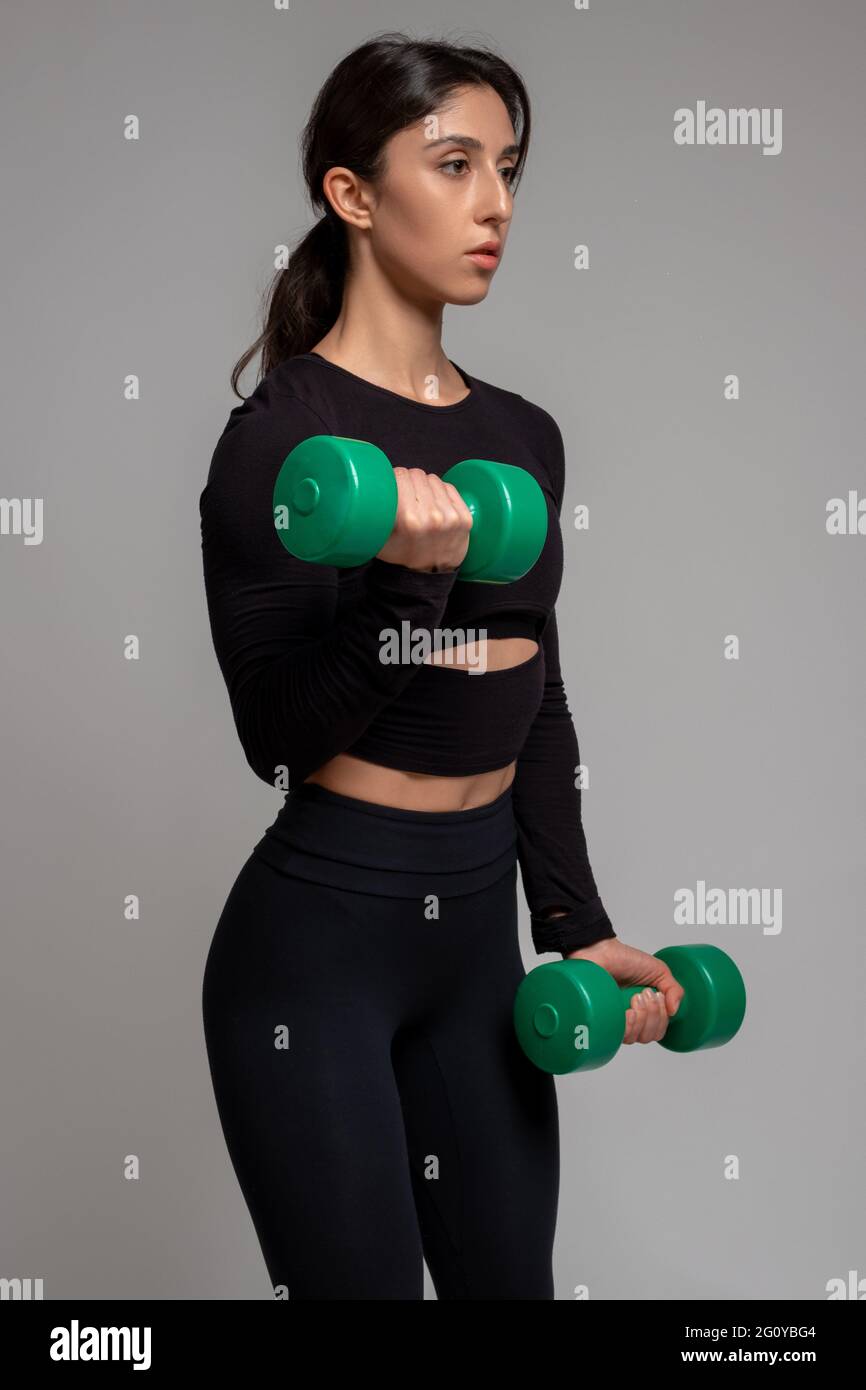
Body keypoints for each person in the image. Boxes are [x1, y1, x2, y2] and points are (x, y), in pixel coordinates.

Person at [199, 32, 684, 1301]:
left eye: (508, 170)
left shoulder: (523, 435)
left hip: (474, 943)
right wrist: (408, 585)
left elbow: (539, 703)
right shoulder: (282, 442)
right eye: (454, 163)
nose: (495, 206)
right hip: (316, 947)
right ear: (351, 196)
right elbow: (279, 730)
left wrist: (575, 928)